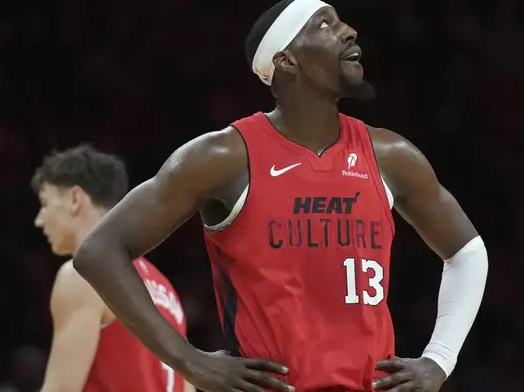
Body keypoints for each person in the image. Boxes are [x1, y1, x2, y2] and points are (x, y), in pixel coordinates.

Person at [71, 0, 489, 391]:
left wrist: (439, 359)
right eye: (324, 25)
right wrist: (189, 361)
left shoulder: (390, 156)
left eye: (342, 21)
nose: (349, 32)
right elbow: (100, 251)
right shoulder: (224, 155)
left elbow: (467, 252)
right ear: (285, 60)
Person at [32, 145, 194, 392]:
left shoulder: (82, 276)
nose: (39, 219)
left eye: (45, 204)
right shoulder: (166, 289)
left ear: (75, 199)